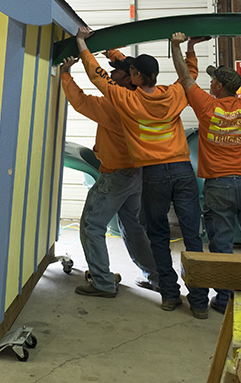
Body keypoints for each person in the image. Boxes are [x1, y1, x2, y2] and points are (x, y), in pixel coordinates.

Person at [74, 26, 210, 319]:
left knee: (157, 234)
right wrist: (189, 50)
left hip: (153, 174)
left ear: (134, 77)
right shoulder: (173, 95)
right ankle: (199, 302)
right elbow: (190, 76)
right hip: (182, 171)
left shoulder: (126, 101)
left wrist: (81, 45)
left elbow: (96, 77)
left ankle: (167, 295)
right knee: (191, 237)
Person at [171, 32, 241, 318]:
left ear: (218, 85)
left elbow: (185, 78)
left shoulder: (207, 107)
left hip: (218, 187)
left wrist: (176, 46)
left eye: (212, 80)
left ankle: (224, 300)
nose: (209, 83)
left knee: (221, 248)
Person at [60, 53, 159, 298]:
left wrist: (65, 73)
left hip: (116, 175)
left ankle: (103, 282)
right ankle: (156, 278)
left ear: (130, 78)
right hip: (134, 173)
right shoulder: (139, 97)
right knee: (132, 227)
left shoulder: (114, 104)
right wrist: (114, 54)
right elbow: (128, 69)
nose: (111, 72)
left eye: (117, 70)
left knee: (92, 225)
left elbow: (80, 101)